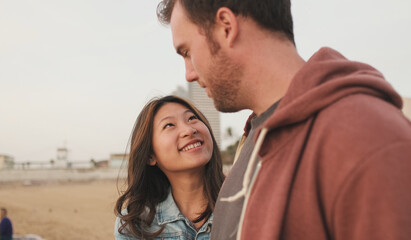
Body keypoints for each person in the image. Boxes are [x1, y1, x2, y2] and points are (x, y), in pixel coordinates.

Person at [156, 0, 411, 239]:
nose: (188, 74)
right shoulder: (257, 138)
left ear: (226, 27)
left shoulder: (368, 138)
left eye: (187, 51)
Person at [114, 95, 225, 239]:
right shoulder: (134, 224)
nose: (189, 130)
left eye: (191, 118)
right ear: (150, 156)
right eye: (169, 125)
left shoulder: (246, 202)